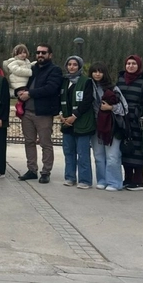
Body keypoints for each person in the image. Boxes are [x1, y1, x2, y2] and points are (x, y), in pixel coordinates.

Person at [17, 43, 63, 184]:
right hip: (27, 112)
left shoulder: (55, 70)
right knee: (29, 142)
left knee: (45, 143)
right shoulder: (30, 68)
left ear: (50, 55)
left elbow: (51, 88)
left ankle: (46, 172)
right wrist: (18, 91)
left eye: (43, 52)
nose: (40, 55)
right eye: (38, 52)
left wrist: (30, 94)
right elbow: (20, 82)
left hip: (43, 113)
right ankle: (32, 170)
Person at [117, 55, 143, 191]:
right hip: (123, 118)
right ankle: (128, 178)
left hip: (138, 119)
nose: (130, 66)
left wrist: (141, 111)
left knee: (139, 149)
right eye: (128, 63)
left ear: (139, 65)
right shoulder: (121, 79)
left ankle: (139, 180)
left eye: (134, 63)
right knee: (126, 147)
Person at [89, 62, 128, 192]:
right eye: (95, 71)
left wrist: (111, 108)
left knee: (112, 156)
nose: (97, 74)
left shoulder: (113, 88)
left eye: (100, 71)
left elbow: (125, 108)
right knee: (98, 155)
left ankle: (115, 182)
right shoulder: (87, 87)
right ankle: (102, 180)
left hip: (111, 127)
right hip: (95, 126)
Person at [59, 56, 95, 189]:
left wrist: (74, 116)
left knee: (83, 153)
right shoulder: (64, 81)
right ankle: (70, 177)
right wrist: (61, 114)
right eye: (69, 64)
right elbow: (59, 99)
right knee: (68, 152)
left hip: (82, 123)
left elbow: (87, 101)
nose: (72, 67)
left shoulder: (86, 81)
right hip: (67, 123)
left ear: (79, 66)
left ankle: (85, 180)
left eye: (75, 64)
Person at [3, 43, 33, 118]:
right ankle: (19, 104)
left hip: (24, 82)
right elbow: (16, 70)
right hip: (18, 83)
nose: (22, 55)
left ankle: (21, 109)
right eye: (20, 53)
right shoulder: (14, 62)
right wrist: (29, 72)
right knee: (23, 94)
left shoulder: (27, 61)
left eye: (24, 52)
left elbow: (29, 66)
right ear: (16, 54)